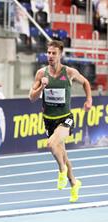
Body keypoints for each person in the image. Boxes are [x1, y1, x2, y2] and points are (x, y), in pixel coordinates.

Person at [29, 40, 92, 203]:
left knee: (51, 144)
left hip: (65, 118)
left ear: (60, 54)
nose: (50, 56)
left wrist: (89, 100)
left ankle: (62, 170)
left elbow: (85, 82)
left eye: (53, 53)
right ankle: (74, 183)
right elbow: (31, 97)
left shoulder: (69, 72)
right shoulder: (41, 74)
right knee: (63, 154)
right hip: (48, 120)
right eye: (48, 53)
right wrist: (41, 88)